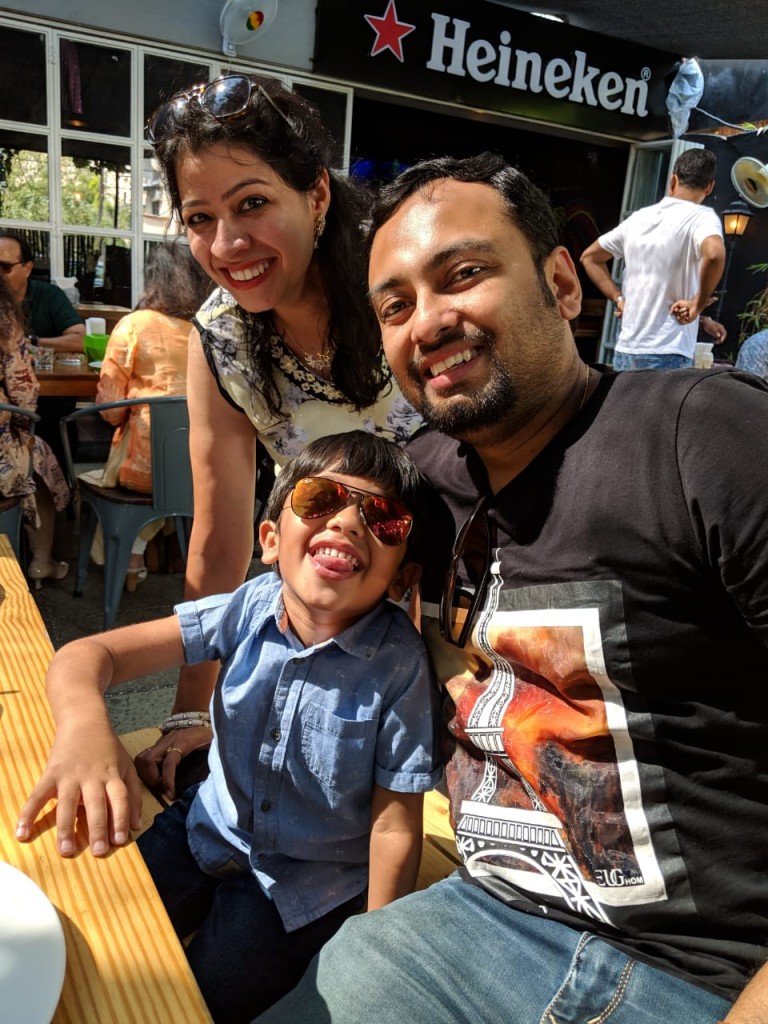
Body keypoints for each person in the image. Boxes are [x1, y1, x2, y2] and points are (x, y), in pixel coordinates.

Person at [253, 153, 768, 1024]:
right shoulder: (420, 487)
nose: (428, 321)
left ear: (565, 284)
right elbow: (290, 600)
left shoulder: (703, 434)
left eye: (464, 274)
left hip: (697, 976)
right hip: (470, 920)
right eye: (396, 305)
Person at [17, 429, 440, 1023]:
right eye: (320, 500)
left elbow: (395, 825)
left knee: (204, 1001)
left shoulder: (399, 668)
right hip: (205, 825)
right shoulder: (248, 605)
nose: (346, 522)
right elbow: (88, 657)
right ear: (270, 540)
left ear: (402, 579)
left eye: (383, 519)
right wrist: (86, 729)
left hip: (303, 886)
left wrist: (373, 944)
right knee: (98, 941)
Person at [134, 72, 423, 796]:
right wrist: (187, 713)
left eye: (253, 203)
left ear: (317, 195)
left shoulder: (402, 288)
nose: (227, 245)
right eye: (199, 219)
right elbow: (220, 539)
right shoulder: (221, 341)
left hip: (454, 601)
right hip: (335, 608)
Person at [82, 241, 212, 589]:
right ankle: (151, 550)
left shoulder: (134, 325)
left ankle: (130, 555)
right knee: (173, 478)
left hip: (142, 471)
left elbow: (110, 413)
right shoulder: (206, 332)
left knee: (118, 463)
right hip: (200, 471)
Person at [580, 148, 727, 370]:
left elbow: (589, 257)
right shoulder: (702, 218)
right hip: (669, 351)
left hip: (628, 349)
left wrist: (619, 299)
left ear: (673, 180)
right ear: (709, 187)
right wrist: (697, 305)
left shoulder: (639, 219)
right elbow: (715, 254)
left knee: (623, 406)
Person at [0, 276, 70, 585]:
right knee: (39, 454)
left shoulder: (50, 295)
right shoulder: (5, 320)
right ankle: (42, 562)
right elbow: (24, 394)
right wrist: (20, 429)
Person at [0, 231, 85, 354]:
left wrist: (31, 343)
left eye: (5, 267)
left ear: (27, 269)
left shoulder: (49, 295)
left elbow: (80, 340)